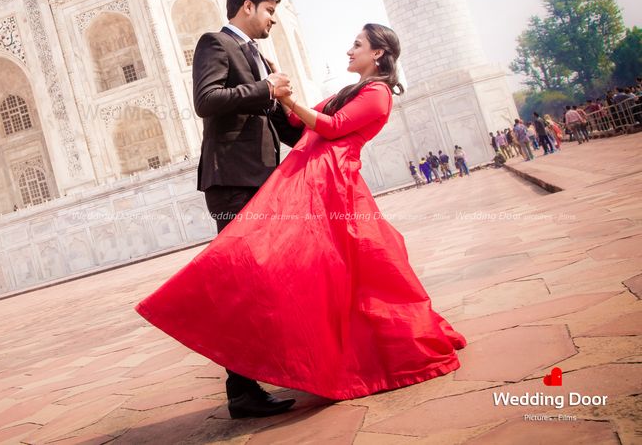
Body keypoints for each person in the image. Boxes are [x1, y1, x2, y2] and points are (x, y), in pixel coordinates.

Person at [137, 23, 466, 407]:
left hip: (331, 183)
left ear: (378, 53)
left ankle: (360, 354)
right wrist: (272, 89)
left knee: (353, 270)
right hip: (310, 175)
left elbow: (332, 126)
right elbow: (297, 125)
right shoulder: (351, 90)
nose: (349, 50)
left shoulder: (378, 93)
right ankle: (281, 362)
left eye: (356, 44)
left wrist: (285, 98)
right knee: (306, 266)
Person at [162, 0, 303, 418]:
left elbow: (276, 124)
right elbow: (207, 100)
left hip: (261, 178)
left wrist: (323, 122)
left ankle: (263, 375)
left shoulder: (258, 55)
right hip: (233, 182)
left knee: (267, 279)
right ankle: (242, 390)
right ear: (247, 7)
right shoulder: (215, 43)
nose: (273, 21)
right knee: (245, 282)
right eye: (269, 12)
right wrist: (266, 90)